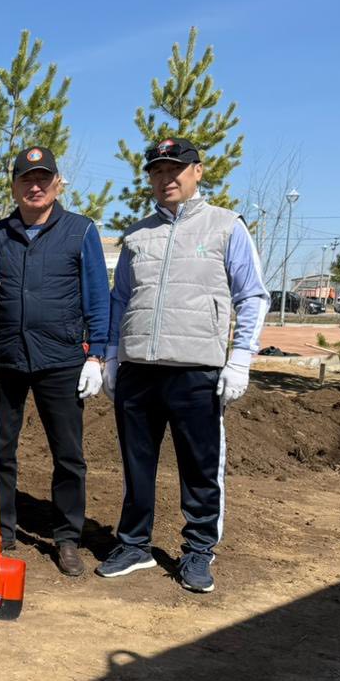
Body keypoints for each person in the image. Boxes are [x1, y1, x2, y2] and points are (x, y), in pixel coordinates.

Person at [97, 138, 269, 594]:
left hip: (196, 371)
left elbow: (251, 294)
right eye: (156, 171)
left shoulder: (226, 227)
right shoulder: (138, 236)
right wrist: (112, 356)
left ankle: (197, 550)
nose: (165, 178)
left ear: (197, 171)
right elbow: (120, 300)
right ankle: (134, 544)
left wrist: (240, 359)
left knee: (199, 465)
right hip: (138, 370)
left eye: (175, 169)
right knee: (136, 464)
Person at [0, 147, 110, 576]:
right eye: (25, 179)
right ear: (13, 185)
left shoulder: (79, 231)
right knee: (1, 450)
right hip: (7, 356)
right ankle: (3, 529)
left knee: (68, 453)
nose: (34, 186)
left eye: (42, 178)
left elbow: (97, 297)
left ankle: (67, 537)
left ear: (56, 183)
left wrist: (98, 354)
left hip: (62, 358)